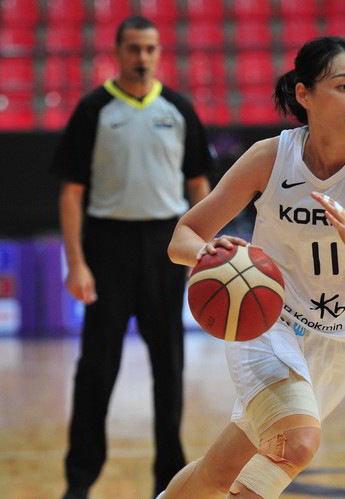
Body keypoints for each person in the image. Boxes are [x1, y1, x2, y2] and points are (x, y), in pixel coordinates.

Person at [158, 36, 345, 499]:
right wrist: (209, 255)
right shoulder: (270, 157)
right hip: (269, 320)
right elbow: (183, 236)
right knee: (297, 444)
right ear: (304, 94)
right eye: (342, 86)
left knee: (223, 470)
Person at [51, 16, 213, 499]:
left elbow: (199, 187)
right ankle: (80, 479)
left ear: (159, 52)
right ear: (117, 52)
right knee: (97, 367)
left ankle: (168, 479)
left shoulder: (179, 109)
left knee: (169, 365)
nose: (142, 57)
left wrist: (205, 251)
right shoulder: (93, 109)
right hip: (108, 246)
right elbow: (71, 194)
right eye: (133, 48)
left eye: (150, 48)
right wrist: (77, 262)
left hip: (167, 244)